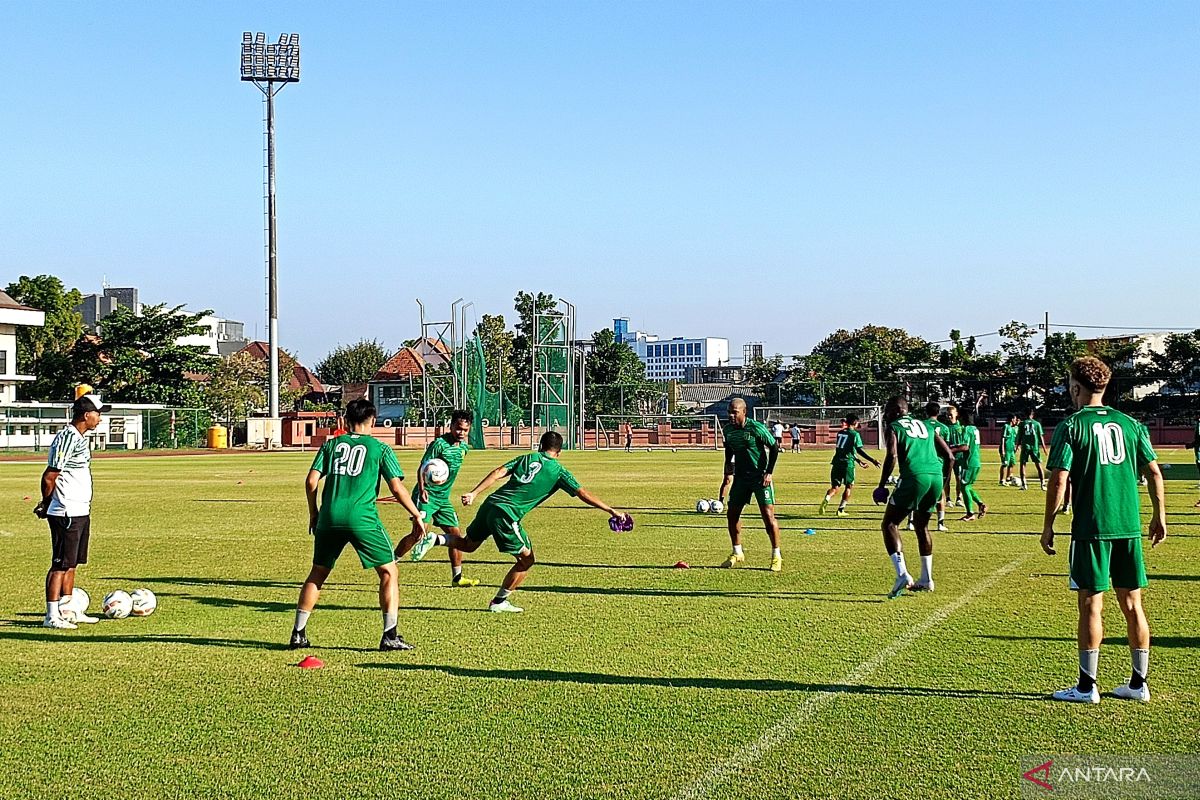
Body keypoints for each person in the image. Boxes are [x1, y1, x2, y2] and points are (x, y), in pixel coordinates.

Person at [1041, 356, 1165, 704]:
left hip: (1092, 527)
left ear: (1076, 387)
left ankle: (1086, 687)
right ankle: (1139, 684)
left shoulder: (1072, 425)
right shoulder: (1129, 424)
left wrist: (1049, 524)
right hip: (1127, 526)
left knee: (1091, 604)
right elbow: (1154, 472)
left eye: (1068, 383)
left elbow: (1060, 477)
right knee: (1132, 604)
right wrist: (1159, 515)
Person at [410, 431, 625, 613]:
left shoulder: (526, 458)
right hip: (507, 514)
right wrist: (610, 510)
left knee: (469, 545)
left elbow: (497, 473)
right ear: (559, 452)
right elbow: (582, 493)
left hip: (490, 505)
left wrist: (475, 493)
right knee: (527, 560)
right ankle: (499, 602)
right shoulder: (559, 471)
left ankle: (436, 539)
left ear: (540, 446)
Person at [291, 399, 426, 652]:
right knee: (388, 571)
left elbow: (311, 482)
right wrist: (417, 515)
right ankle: (390, 635)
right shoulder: (380, 448)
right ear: (372, 421)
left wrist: (314, 513)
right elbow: (396, 487)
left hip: (329, 517)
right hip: (362, 518)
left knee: (318, 573)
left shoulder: (331, 445)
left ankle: (298, 633)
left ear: (345, 420)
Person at [36, 393, 110, 629]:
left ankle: (68, 610)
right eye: (98, 414)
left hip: (79, 509)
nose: (99, 419)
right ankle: (51, 615)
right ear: (86, 415)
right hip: (65, 510)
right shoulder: (68, 438)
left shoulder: (79, 438)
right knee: (59, 564)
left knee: (71, 563)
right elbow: (50, 477)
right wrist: (47, 504)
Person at [874, 396, 957, 597]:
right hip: (936, 477)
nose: (885, 414)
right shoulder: (926, 425)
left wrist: (882, 485)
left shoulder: (894, 426)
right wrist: (943, 486)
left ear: (895, 410)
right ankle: (926, 579)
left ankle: (902, 574)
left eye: (887, 410)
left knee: (889, 524)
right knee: (922, 526)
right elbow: (950, 456)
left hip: (914, 477)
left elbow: (892, 455)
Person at [392, 410, 478, 587]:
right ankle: (390, 565)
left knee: (455, 535)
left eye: (465, 430)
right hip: (428, 495)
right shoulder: (439, 444)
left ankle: (457, 578)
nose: (461, 432)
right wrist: (422, 489)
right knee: (418, 534)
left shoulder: (463, 448)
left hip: (443, 499)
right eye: (458, 428)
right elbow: (422, 467)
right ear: (451, 425)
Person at [717, 398, 782, 571]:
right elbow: (729, 449)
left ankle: (776, 555)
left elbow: (774, 447)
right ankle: (737, 551)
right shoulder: (728, 430)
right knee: (732, 515)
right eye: (729, 412)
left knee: (768, 517)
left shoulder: (756, 428)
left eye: (734, 412)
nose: (731, 415)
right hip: (741, 478)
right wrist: (728, 469)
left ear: (744, 412)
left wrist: (769, 472)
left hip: (760, 478)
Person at [819, 415, 880, 516]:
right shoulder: (854, 434)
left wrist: (858, 460)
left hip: (837, 462)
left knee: (835, 487)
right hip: (848, 464)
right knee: (848, 487)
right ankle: (841, 510)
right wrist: (872, 460)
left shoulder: (840, 433)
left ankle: (827, 499)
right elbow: (859, 450)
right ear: (856, 423)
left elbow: (846, 450)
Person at [957, 410, 988, 521]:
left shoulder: (967, 429)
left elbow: (965, 447)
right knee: (967, 486)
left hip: (968, 462)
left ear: (963, 419)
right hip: (976, 461)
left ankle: (970, 513)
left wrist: (952, 450)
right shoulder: (975, 429)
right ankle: (980, 504)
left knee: (964, 487)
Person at [1019, 408, 1048, 490]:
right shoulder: (1037, 424)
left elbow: (1019, 437)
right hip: (1034, 447)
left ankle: (1024, 484)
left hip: (1025, 446)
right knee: (1038, 465)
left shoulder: (1022, 424)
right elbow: (1041, 437)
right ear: (1032, 414)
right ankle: (1043, 484)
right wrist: (1044, 448)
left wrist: (1017, 446)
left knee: (1023, 464)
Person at [944, 404, 966, 507]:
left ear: (956, 414)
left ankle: (958, 498)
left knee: (959, 478)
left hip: (959, 457)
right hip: (947, 457)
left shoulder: (961, 428)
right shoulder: (945, 427)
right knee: (947, 478)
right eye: (947, 415)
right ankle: (948, 499)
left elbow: (965, 444)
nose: (949, 417)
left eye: (951, 414)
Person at [1000, 413, 1020, 486]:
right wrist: (1002, 449)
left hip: (1011, 449)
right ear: (1012, 419)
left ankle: (1008, 478)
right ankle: (1002, 480)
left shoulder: (1015, 428)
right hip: (1006, 449)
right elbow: (1003, 438)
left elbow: (1014, 438)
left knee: (1012, 463)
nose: (1016, 420)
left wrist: (1015, 446)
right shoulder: (1006, 426)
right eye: (1015, 419)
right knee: (1005, 464)